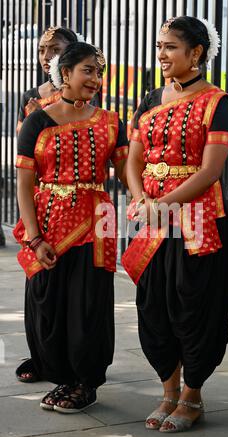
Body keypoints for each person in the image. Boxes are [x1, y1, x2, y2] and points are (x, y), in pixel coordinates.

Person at [122, 16, 228, 433]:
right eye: (160, 45)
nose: (162, 54)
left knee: (195, 305)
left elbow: (210, 171)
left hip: (200, 219)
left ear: (197, 53)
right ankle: (167, 389)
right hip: (153, 217)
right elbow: (134, 158)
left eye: (170, 46)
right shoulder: (150, 98)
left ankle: (192, 394)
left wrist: (164, 203)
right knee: (154, 305)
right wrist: (139, 198)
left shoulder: (218, 102)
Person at [13, 42, 128, 413]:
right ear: (65, 73)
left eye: (99, 71)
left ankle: (85, 382)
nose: (95, 79)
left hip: (96, 227)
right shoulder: (37, 121)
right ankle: (58, 370)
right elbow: (24, 185)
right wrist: (34, 237)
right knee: (47, 304)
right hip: (48, 226)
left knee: (88, 305)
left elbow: (129, 175)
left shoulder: (111, 123)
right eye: (87, 71)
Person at [15, 26, 101, 383]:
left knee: (78, 295)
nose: (47, 55)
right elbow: (27, 159)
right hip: (42, 199)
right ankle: (43, 356)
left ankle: (75, 368)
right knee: (42, 290)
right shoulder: (34, 102)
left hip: (82, 209)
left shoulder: (88, 99)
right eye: (43, 49)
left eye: (56, 48)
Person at [17, 26, 80, 135]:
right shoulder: (30, 97)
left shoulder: (84, 94)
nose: (46, 56)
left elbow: (85, 137)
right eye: (41, 51)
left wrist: (40, 117)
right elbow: (23, 142)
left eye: (55, 50)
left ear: (71, 53)